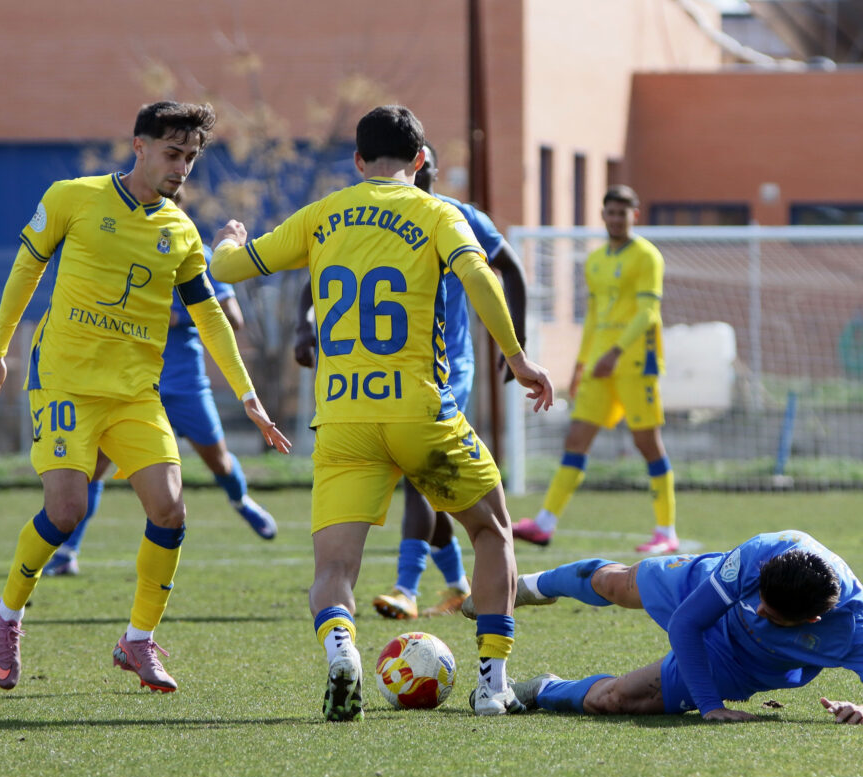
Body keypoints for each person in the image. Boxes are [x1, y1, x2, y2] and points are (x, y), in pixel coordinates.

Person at [210, 105, 553, 720]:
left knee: (334, 568)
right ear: (421, 161)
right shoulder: (438, 211)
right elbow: (481, 276)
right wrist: (519, 358)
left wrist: (228, 240)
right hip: (419, 412)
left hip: (341, 422)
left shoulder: (322, 215)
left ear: (359, 161)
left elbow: (230, 269)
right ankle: (491, 684)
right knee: (493, 530)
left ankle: (342, 650)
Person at [0, 100, 290, 694]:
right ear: (140, 146)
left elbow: (211, 320)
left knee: (171, 508)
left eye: (192, 158)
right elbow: (26, 270)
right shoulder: (72, 197)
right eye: (173, 154)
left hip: (133, 393)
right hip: (66, 381)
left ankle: (138, 640)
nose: (182, 168)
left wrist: (248, 396)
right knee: (66, 510)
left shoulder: (179, 233)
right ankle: (7, 615)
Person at [293, 141, 528, 620]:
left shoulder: (455, 216)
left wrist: (516, 345)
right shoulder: (364, 219)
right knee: (423, 481)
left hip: (443, 373)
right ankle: (457, 582)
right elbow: (314, 274)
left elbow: (509, 273)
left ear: (427, 170)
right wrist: (304, 323)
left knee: (420, 483)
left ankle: (406, 587)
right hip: (377, 384)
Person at [463, 531, 863, 724]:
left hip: (742, 662)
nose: (758, 610)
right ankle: (526, 586)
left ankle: (542, 689)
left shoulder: (856, 630)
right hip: (704, 594)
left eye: (771, 614)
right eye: (759, 600)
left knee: (614, 702)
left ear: (811, 622)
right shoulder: (763, 555)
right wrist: (709, 707)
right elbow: (687, 621)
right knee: (616, 585)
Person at [43, 244, 278, 576]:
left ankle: (241, 501)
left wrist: (177, 316)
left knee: (219, 460)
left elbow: (234, 318)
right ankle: (68, 552)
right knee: (96, 464)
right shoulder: (127, 248)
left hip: (185, 385)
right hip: (131, 384)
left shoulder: (199, 254)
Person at [513, 185, 678, 554]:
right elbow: (592, 317)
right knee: (575, 440)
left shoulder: (647, 257)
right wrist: (580, 364)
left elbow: (648, 313)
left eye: (624, 213)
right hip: (600, 366)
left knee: (646, 443)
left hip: (635, 363)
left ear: (635, 216)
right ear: (602, 216)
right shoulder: (595, 261)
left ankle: (666, 531)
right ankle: (544, 524)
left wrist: (616, 352)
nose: (617, 219)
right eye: (611, 212)